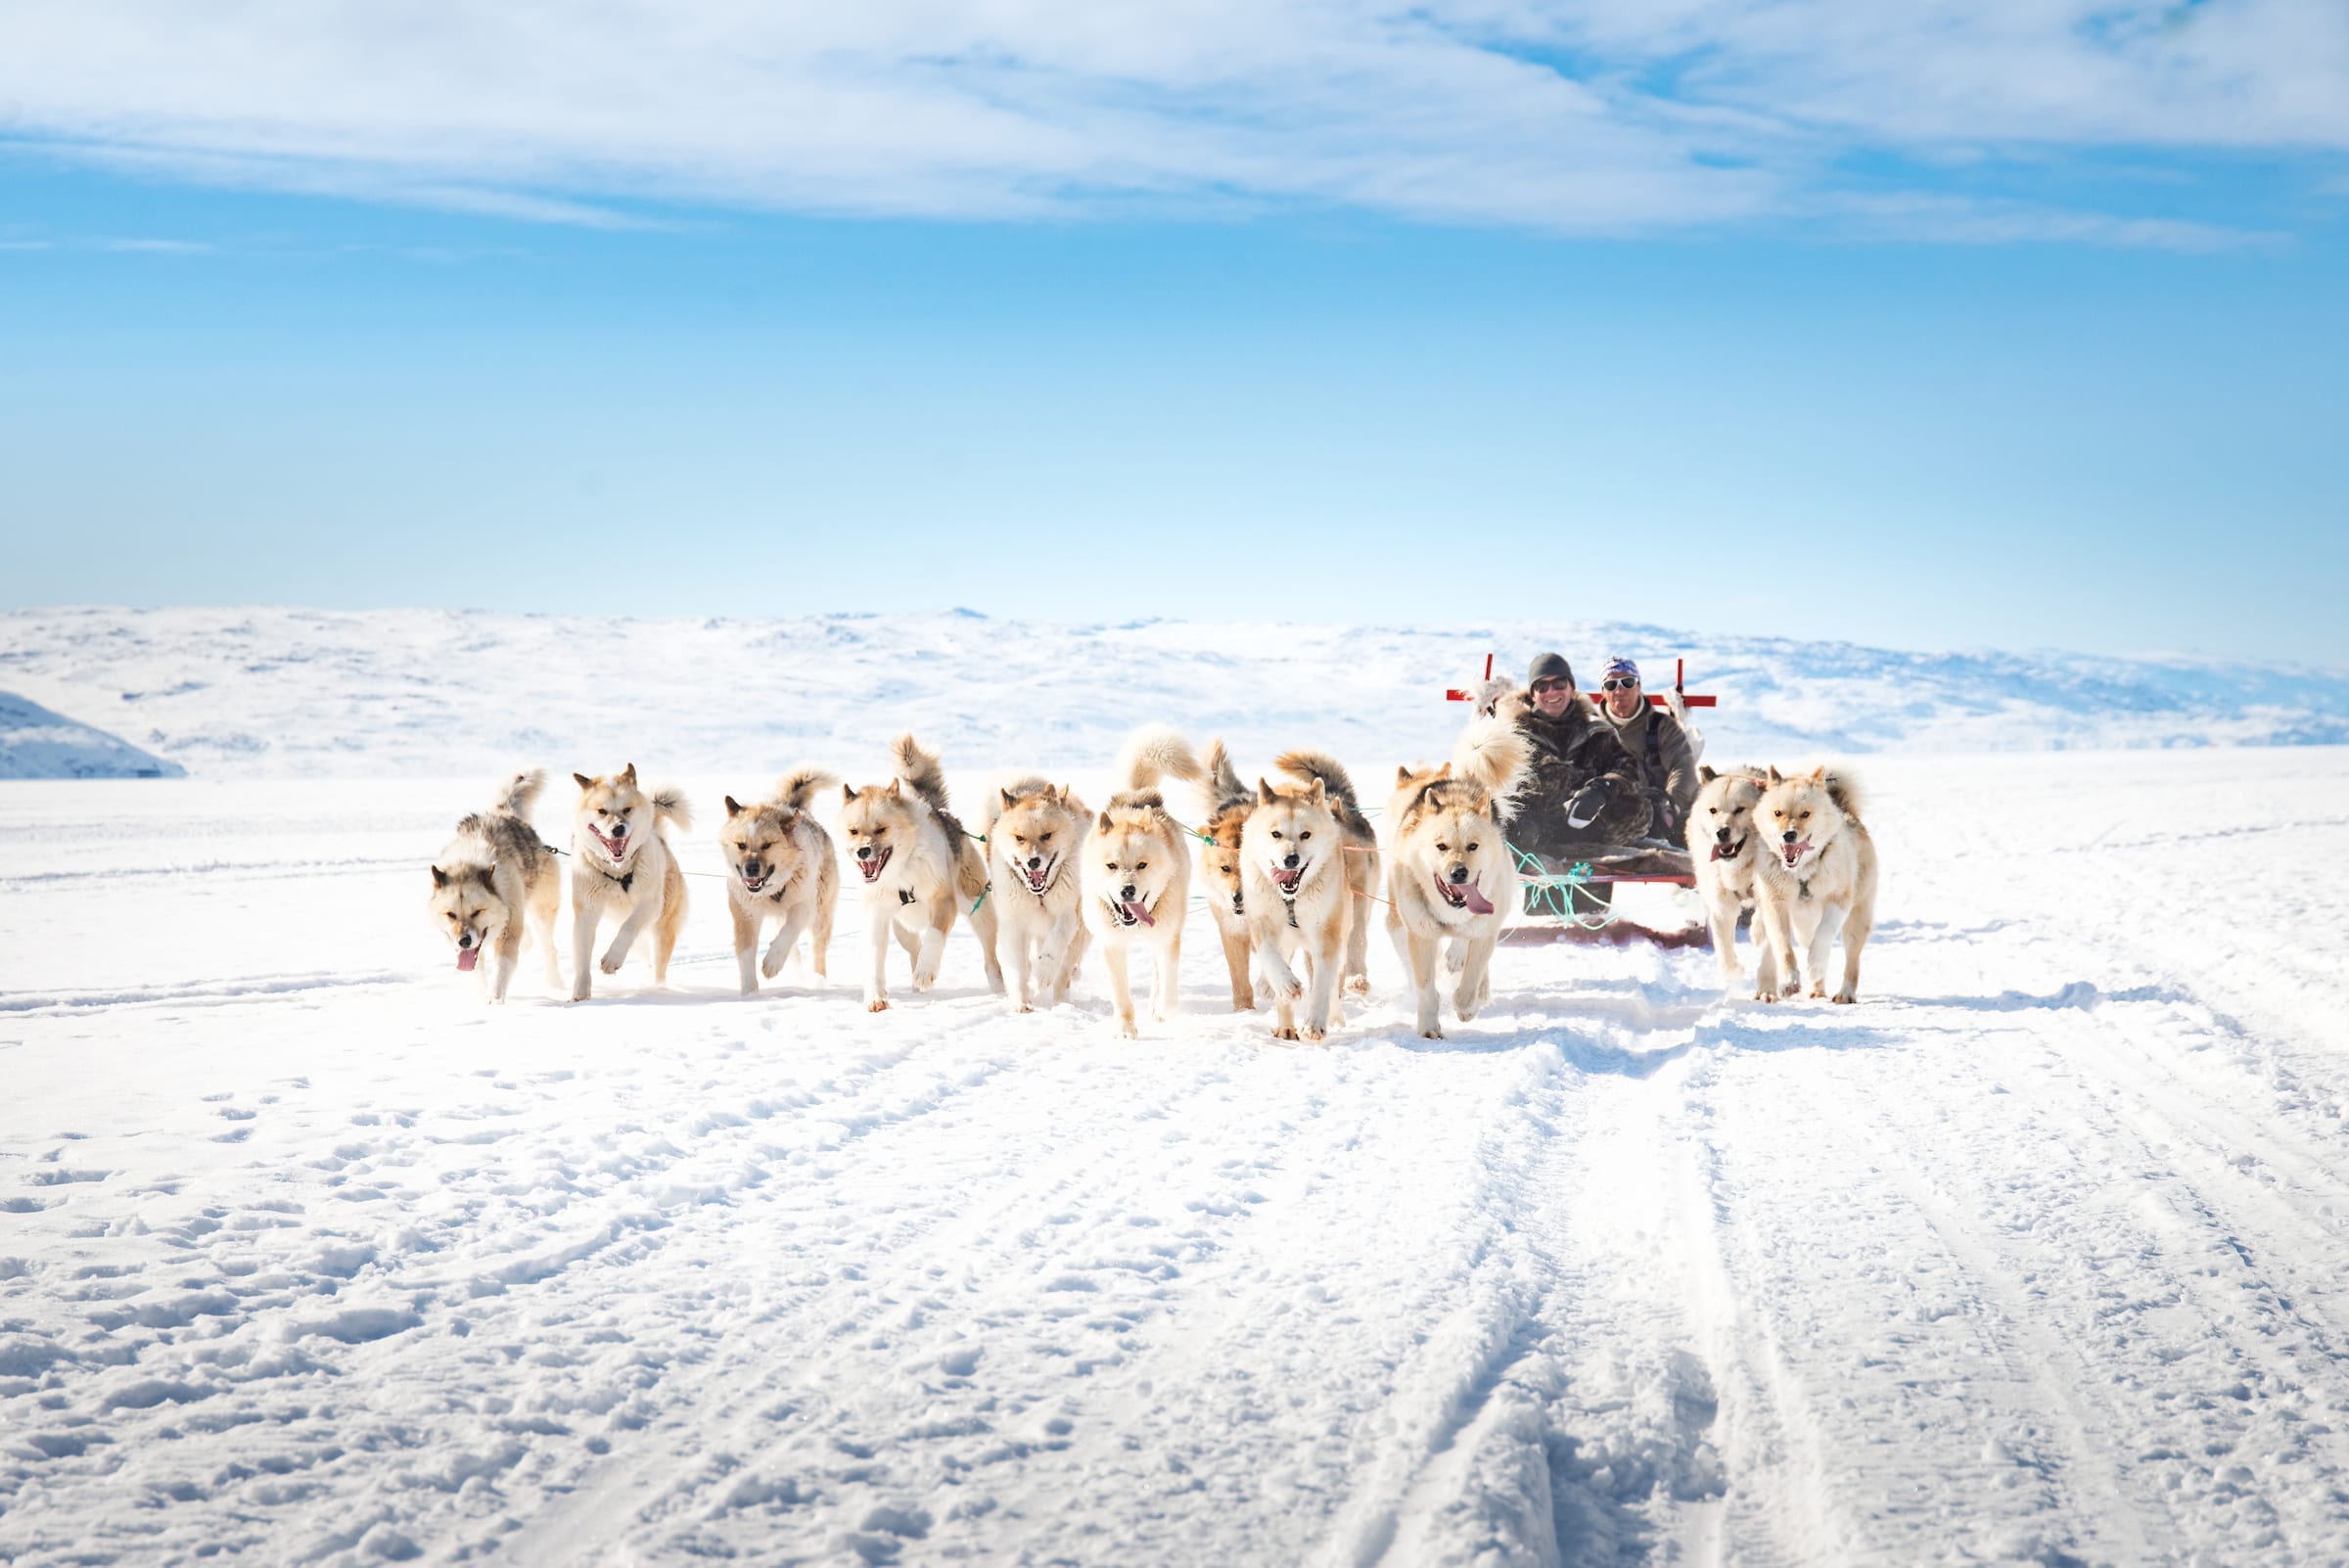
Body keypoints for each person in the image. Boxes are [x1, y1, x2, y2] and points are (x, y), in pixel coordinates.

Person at [1486, 652, 1649, 860]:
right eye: (1542, 687)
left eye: (1559, 684)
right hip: (1533, 837)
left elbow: (1629, 768)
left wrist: (1601, 790)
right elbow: (1496, 787)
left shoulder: (1596, 731)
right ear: (1533, 694)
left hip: (1588, 831)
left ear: (1572, 688)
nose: (1551, 692)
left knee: (1638, 808)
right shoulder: (1512, 735)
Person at [1592, 656, 1698, 848]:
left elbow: (1682, 767)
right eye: (1611, 685)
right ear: (1603, 692)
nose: (1619, 690)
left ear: (1638, 686)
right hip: (1609, 812)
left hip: (1659, 811)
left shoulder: (1662, 727)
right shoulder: (1592, 729)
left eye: (1627, 682)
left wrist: (1672, 804)